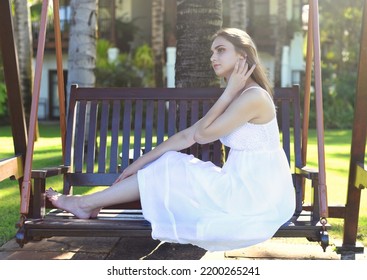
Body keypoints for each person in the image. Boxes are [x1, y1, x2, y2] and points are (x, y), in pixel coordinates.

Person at [46, 28, 296, 252]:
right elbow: (187, 135)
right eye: (212, 51)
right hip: (239, 183)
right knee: (170, 163)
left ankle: (85, 203)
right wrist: (140, 162)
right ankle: (88, 204)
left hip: (255, 196)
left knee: (172, 166)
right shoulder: (241, 95)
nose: (212, 57)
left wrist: (228, 91)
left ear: (243, 56)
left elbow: (202, 135)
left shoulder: (252, 97)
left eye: (221, 50)